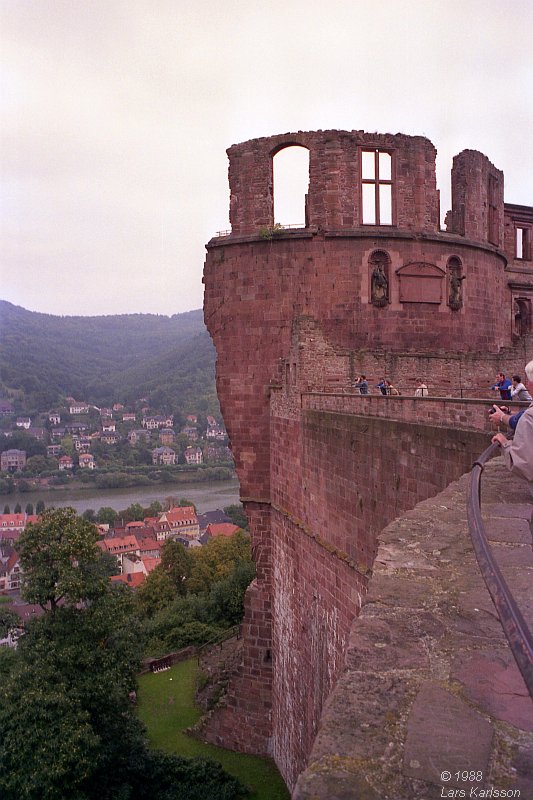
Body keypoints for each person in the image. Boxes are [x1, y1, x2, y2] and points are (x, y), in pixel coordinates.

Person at [492, 360, 533, 493]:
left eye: (529, 381)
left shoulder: (529, 417)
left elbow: (524, 465)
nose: (527, 384)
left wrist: (504, 443)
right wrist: (508, 413)